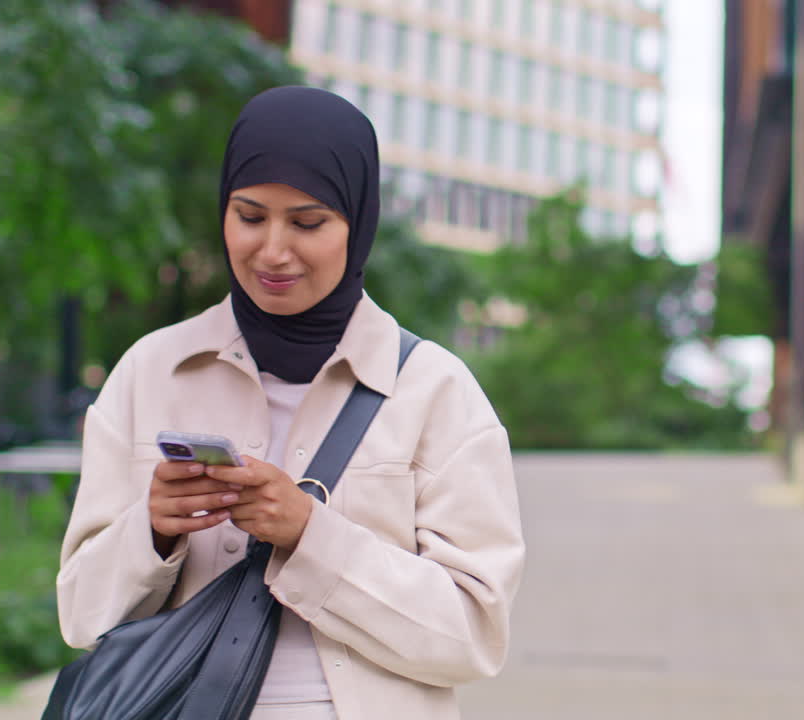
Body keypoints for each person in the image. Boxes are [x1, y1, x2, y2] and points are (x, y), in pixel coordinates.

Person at [56, 86, 526, 720]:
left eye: (307, 223)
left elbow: (472, 637)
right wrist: (153, 529)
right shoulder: (151, 372)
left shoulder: (435, 391)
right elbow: (81, 616)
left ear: (357, 224)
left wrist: (311, 537)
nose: (272, 250)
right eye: (249, 216)